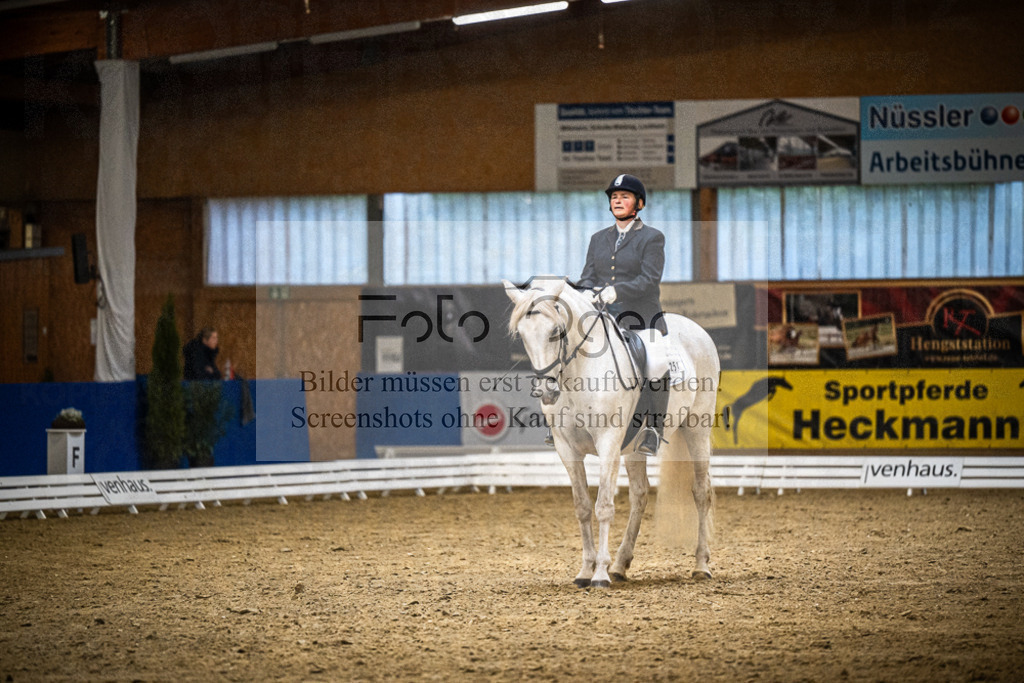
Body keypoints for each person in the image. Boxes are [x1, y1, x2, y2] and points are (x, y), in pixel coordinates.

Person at [575, 173, 670, 456]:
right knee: (569, 352)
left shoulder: (652, 237)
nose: (618, 200)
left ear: (638, 203)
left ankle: (654, 428)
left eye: (624, 196)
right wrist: (584, 292)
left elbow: (649, 279)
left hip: (642, 318)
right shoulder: (598, 239)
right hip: (604, 319)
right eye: (614, 197)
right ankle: (563, 422)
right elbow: (587, 276)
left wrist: (617, 291)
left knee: (655, 363)